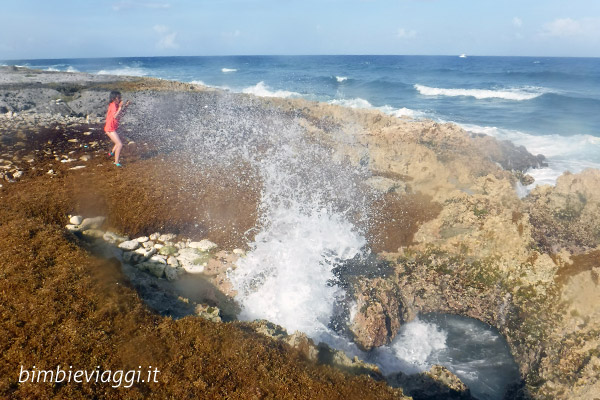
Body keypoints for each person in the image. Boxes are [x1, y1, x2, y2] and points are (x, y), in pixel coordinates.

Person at [104, 91, 130, 167]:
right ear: (114, 98)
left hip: (112, 127)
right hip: (110, 128)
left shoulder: (116, 105)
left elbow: (121, 114)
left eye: (120, 97)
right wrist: (120, 107)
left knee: (118, 142)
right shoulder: (113, 105)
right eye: (118, 98)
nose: (120, 99)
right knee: (119, 144)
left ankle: (111, 153)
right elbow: (115, 116)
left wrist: (126, 106)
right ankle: (116, 162)